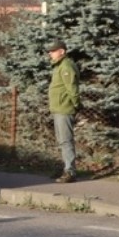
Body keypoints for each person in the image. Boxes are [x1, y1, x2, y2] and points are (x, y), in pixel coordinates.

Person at [47, 39, 80, 183]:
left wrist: (76, 104)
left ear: (62, 51)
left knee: (66, 141)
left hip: (64, 108)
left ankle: (70, 171)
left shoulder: (66, 66)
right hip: (58, 108)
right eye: (50, 51)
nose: (50, 53)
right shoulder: (58, 66)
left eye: (53, 51)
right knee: (62, 140)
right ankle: (65, 168)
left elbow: (72, 88)